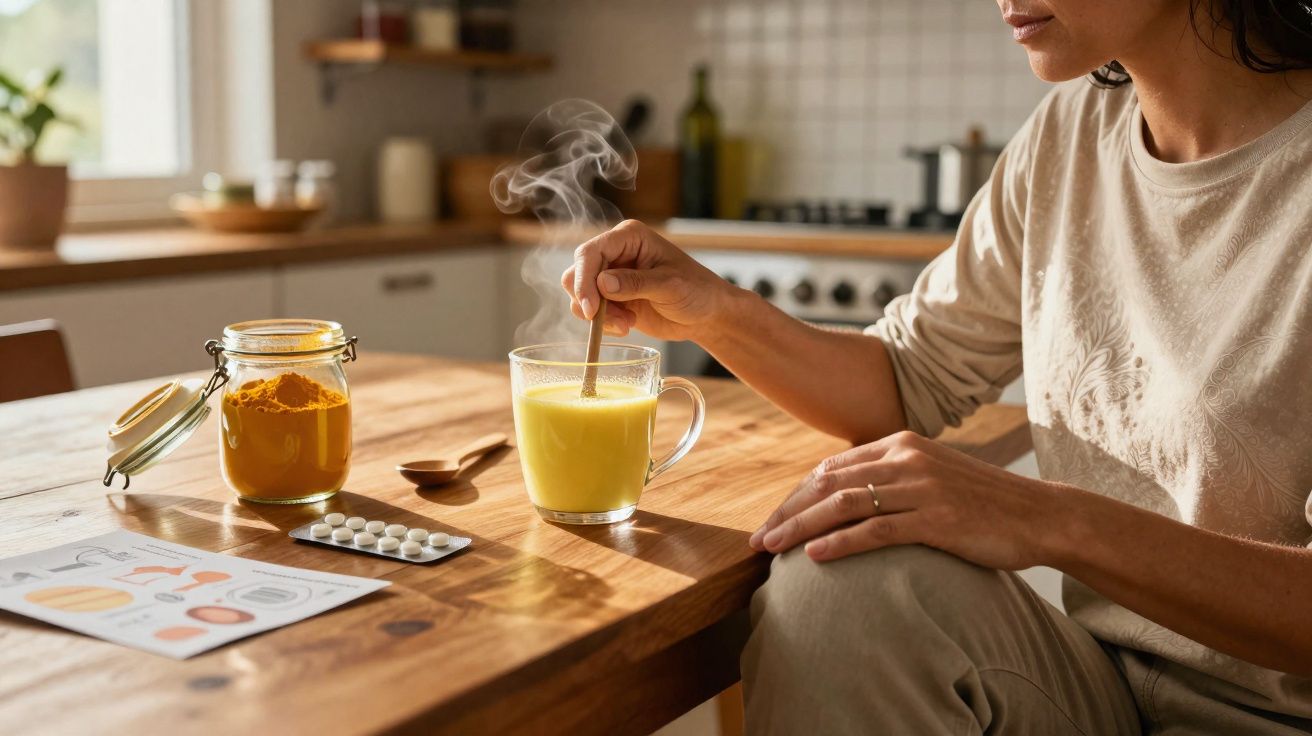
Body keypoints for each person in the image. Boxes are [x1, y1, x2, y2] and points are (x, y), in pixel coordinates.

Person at [563, 0, 1312, 732]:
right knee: (841, 581)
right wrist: (715, 307)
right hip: (1107, 689)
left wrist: (1044, 518)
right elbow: (906, 377)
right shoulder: (1071, 134)